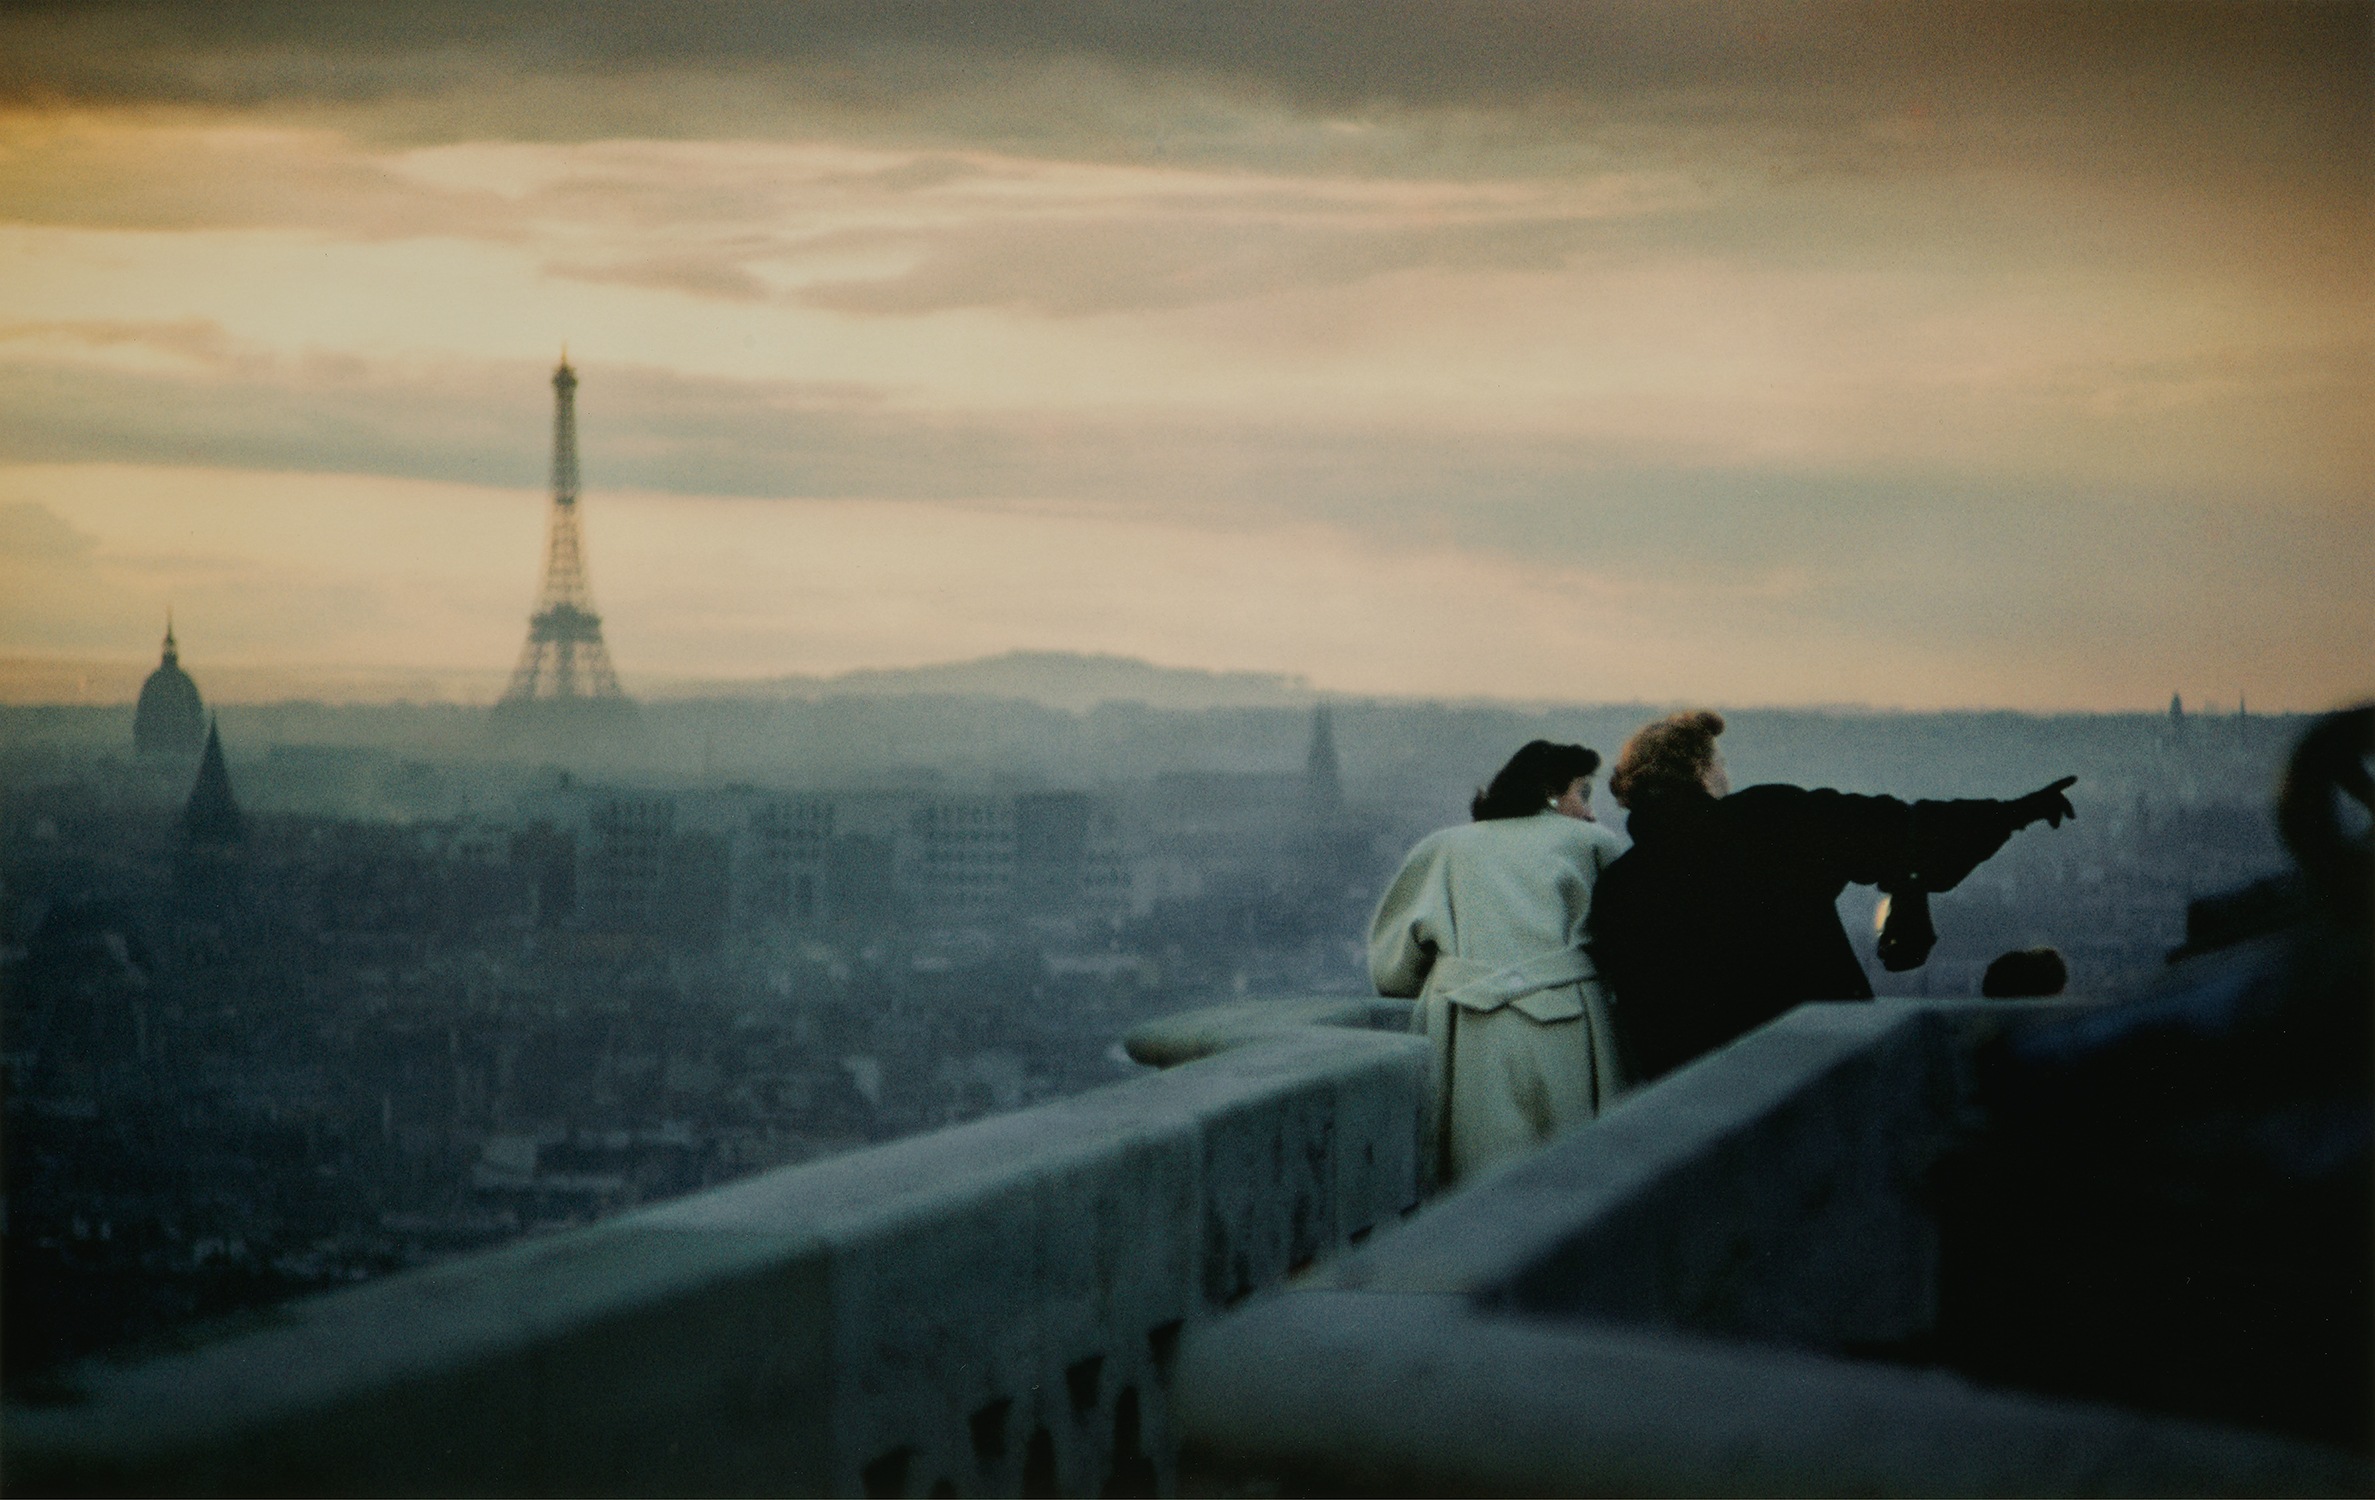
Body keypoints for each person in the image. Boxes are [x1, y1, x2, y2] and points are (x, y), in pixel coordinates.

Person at [1586, 710, 2076, 1083]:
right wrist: (2010, 814)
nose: (1726, 775)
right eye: (1721, 762)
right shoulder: (1769, 820)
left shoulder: (1618, 889)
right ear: (1699, 769)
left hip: (1702, 1094)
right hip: (1812, 1063)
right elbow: (1896, 829)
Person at [1369, 740, 1626, 1184]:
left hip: (1466, 1031)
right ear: (1550, 791)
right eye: (1583, 794)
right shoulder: (1594, 844)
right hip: (1571, 1027)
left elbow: (1393, 968)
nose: (1589, 812)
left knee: (1476, 1178)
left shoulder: (1444, 847)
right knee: (1576, 1180)